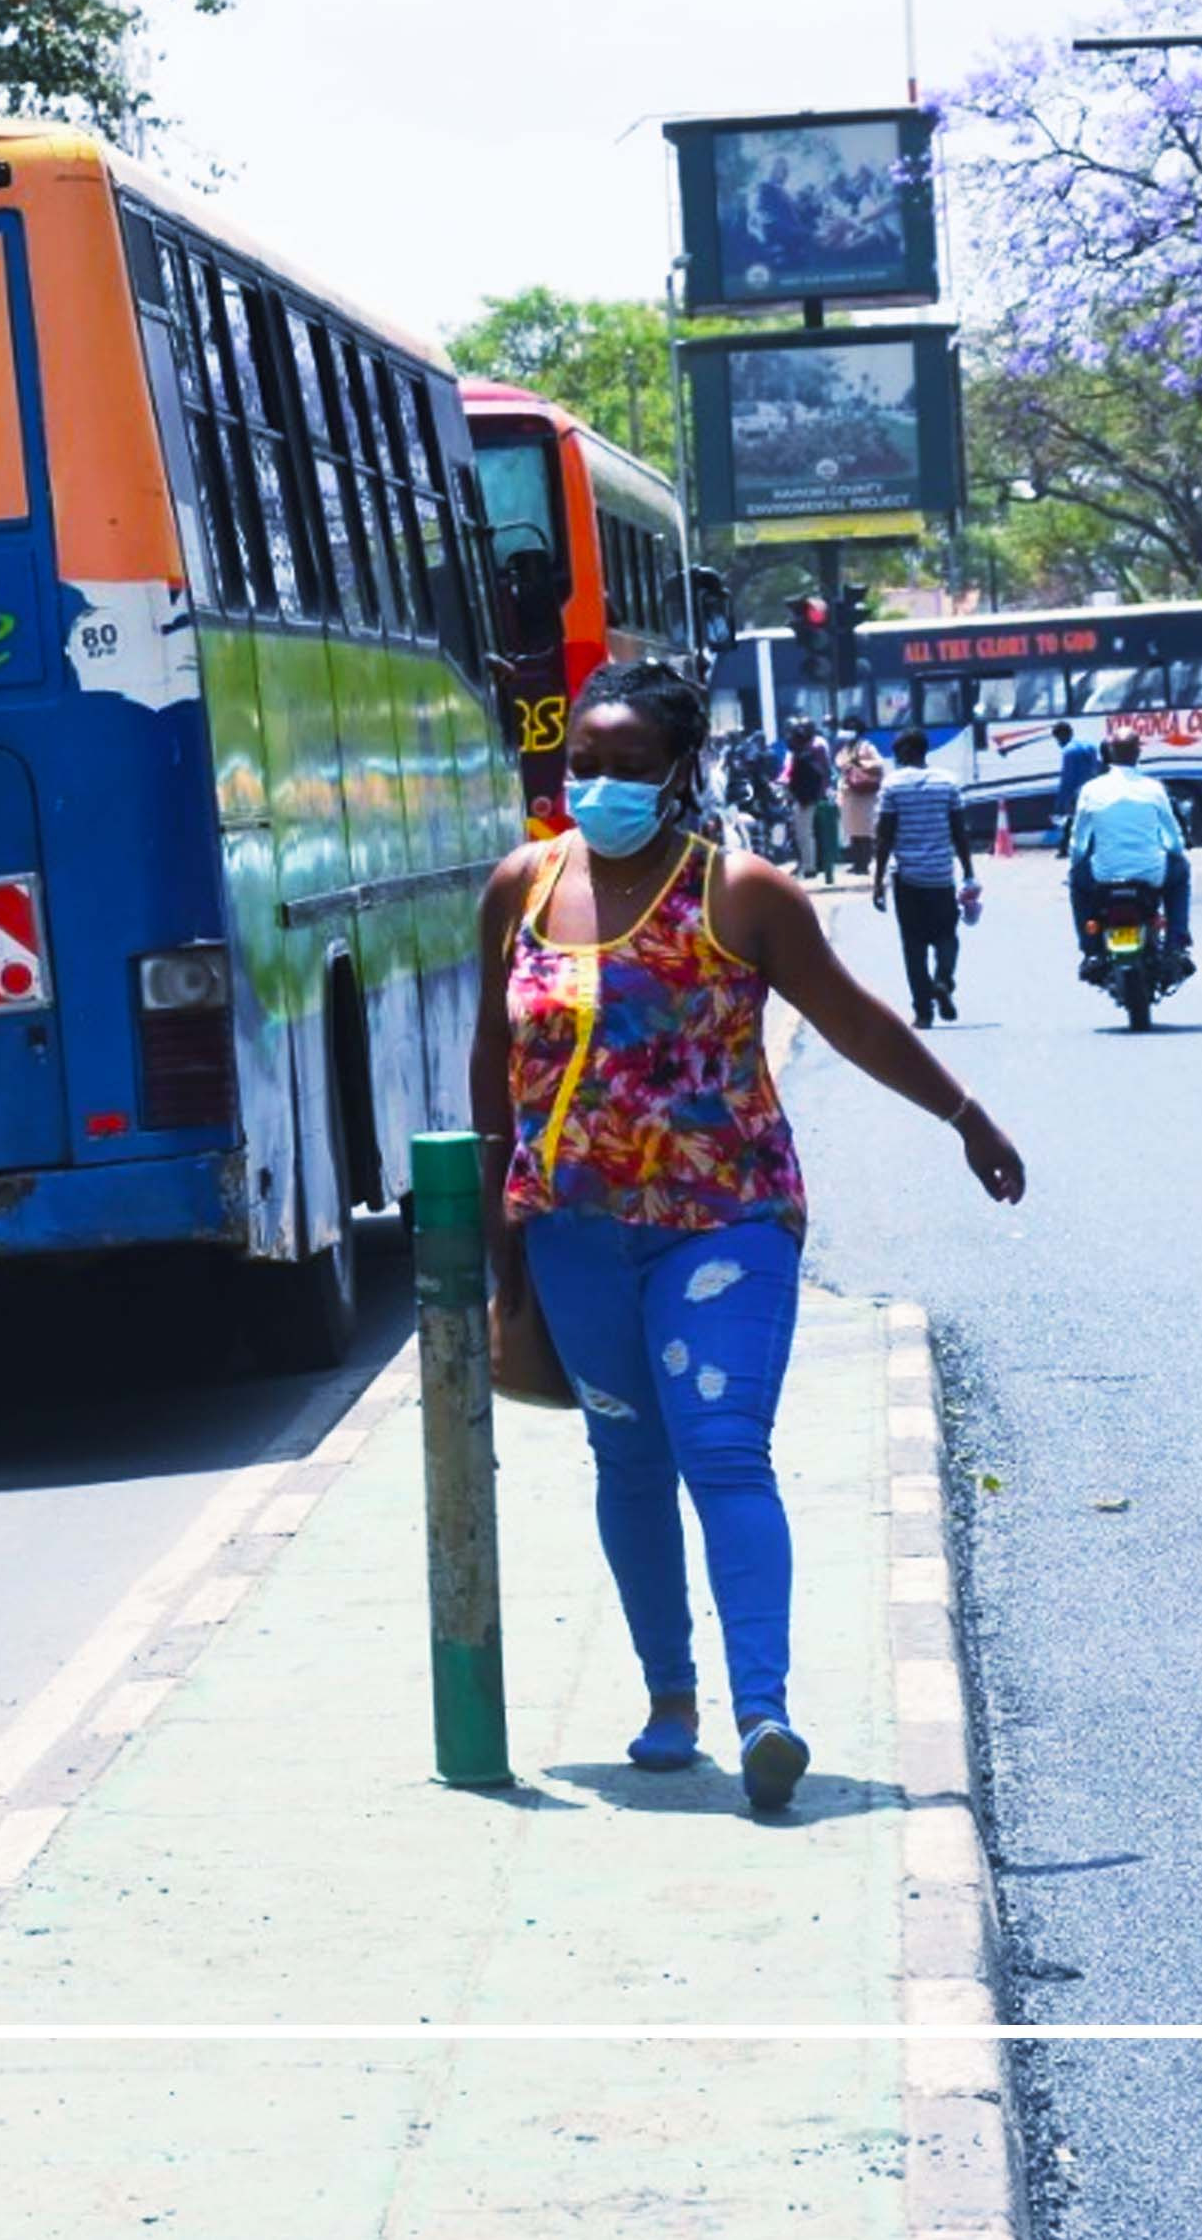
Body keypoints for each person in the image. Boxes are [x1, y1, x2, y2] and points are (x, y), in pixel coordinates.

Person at [471, 660, 1025, 1813]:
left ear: (680, 770)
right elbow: (493, 1059)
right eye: (584, 762)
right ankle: (668, 1699)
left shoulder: (741, 890)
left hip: (723, 1219)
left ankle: (763, 1710)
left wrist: (963, 1115)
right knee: (626, 1458)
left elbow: (852, 1017)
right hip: (571, 1226)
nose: (600, 784)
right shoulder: (521, 884)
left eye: (628, 766)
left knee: (722, 1449)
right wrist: (496, 1223)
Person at [870, 729, 976, 1027]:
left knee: (913, 945)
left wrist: (878, 882)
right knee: (946, 936)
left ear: (905, 753)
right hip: (941, 876)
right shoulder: (947, 783)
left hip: (908, 879)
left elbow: (884, 837)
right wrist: (968, 871)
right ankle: (943, 980)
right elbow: (959, 832)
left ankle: (923, 1012)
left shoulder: (893, 786)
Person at [1066, 735, 1192, 968]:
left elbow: (1079, 841)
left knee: (1077, 881)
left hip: (1104, 875)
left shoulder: (1091, 790)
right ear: (1138, 753)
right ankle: (1176, 944)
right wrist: (1176, 854)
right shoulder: (1154, 789)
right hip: (1152, 874)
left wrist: (1076, 865)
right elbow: (1172, 838)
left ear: (1110, 754)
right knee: (1181, 873)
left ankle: (1091, 949)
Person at [786, 726, 835, 879]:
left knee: (804, 834)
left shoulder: (803, 758)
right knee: (807, 834)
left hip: (805, 800)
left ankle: (809, 867)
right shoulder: (807, 756)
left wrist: (800, 796)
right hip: (809, 798)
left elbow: (800, 781)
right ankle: (810, 865)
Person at [838, 726, 887, 876]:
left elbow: (879, 763)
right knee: (853, 831)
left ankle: (864, 864)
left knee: (864, 831)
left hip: (864, 796)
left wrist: (860, 764)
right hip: (850, 794)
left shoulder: (867, 747)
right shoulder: (846, 748)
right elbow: (840, 763)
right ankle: (856, 863)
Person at [1049, 718, 1102, 830]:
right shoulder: (1090, 746)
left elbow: (1067, 781)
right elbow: (1097, 769)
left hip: (1078, 798)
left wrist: (1059, 807)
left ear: (1061, 736)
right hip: (1096, 794)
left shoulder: (1068, 751)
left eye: (1057, 739)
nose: (1058, 743)